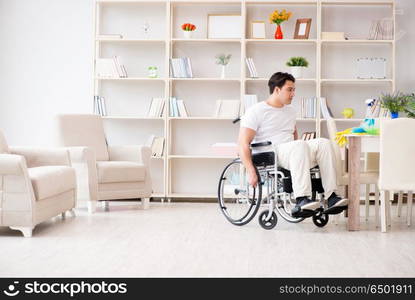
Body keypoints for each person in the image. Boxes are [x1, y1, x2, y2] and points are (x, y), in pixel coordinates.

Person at [238, 72, 348, 217]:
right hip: (271, 153)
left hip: (292, 152)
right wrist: (251, 171)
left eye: (294, 90)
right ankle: (302, 199)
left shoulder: (290, 111)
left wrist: (300, 148)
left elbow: (294, 135)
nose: (293, 93)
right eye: (290, 89)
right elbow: (242, 143)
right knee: (299, 145)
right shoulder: (256, 111)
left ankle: (332, 196)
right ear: (277, 90)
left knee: (323, 143)